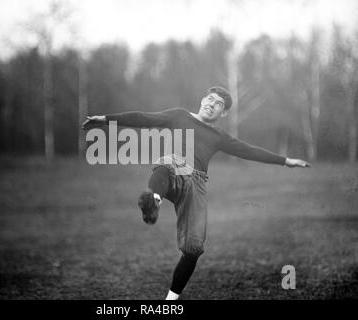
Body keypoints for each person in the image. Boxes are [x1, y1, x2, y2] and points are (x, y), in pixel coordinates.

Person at [82, 86, 310, 300]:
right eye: (210, 99)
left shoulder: (219, 136)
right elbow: (144, 118)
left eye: (218, 103)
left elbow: (249, 151)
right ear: (202, 100)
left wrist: (286, 161)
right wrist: (106, 119)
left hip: (197, 184)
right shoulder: (179, 116)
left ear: (224, 112)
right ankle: (154, 199)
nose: (212, 104)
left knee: (193, 249)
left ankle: (170, 301)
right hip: (174, 170)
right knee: (167, 163)